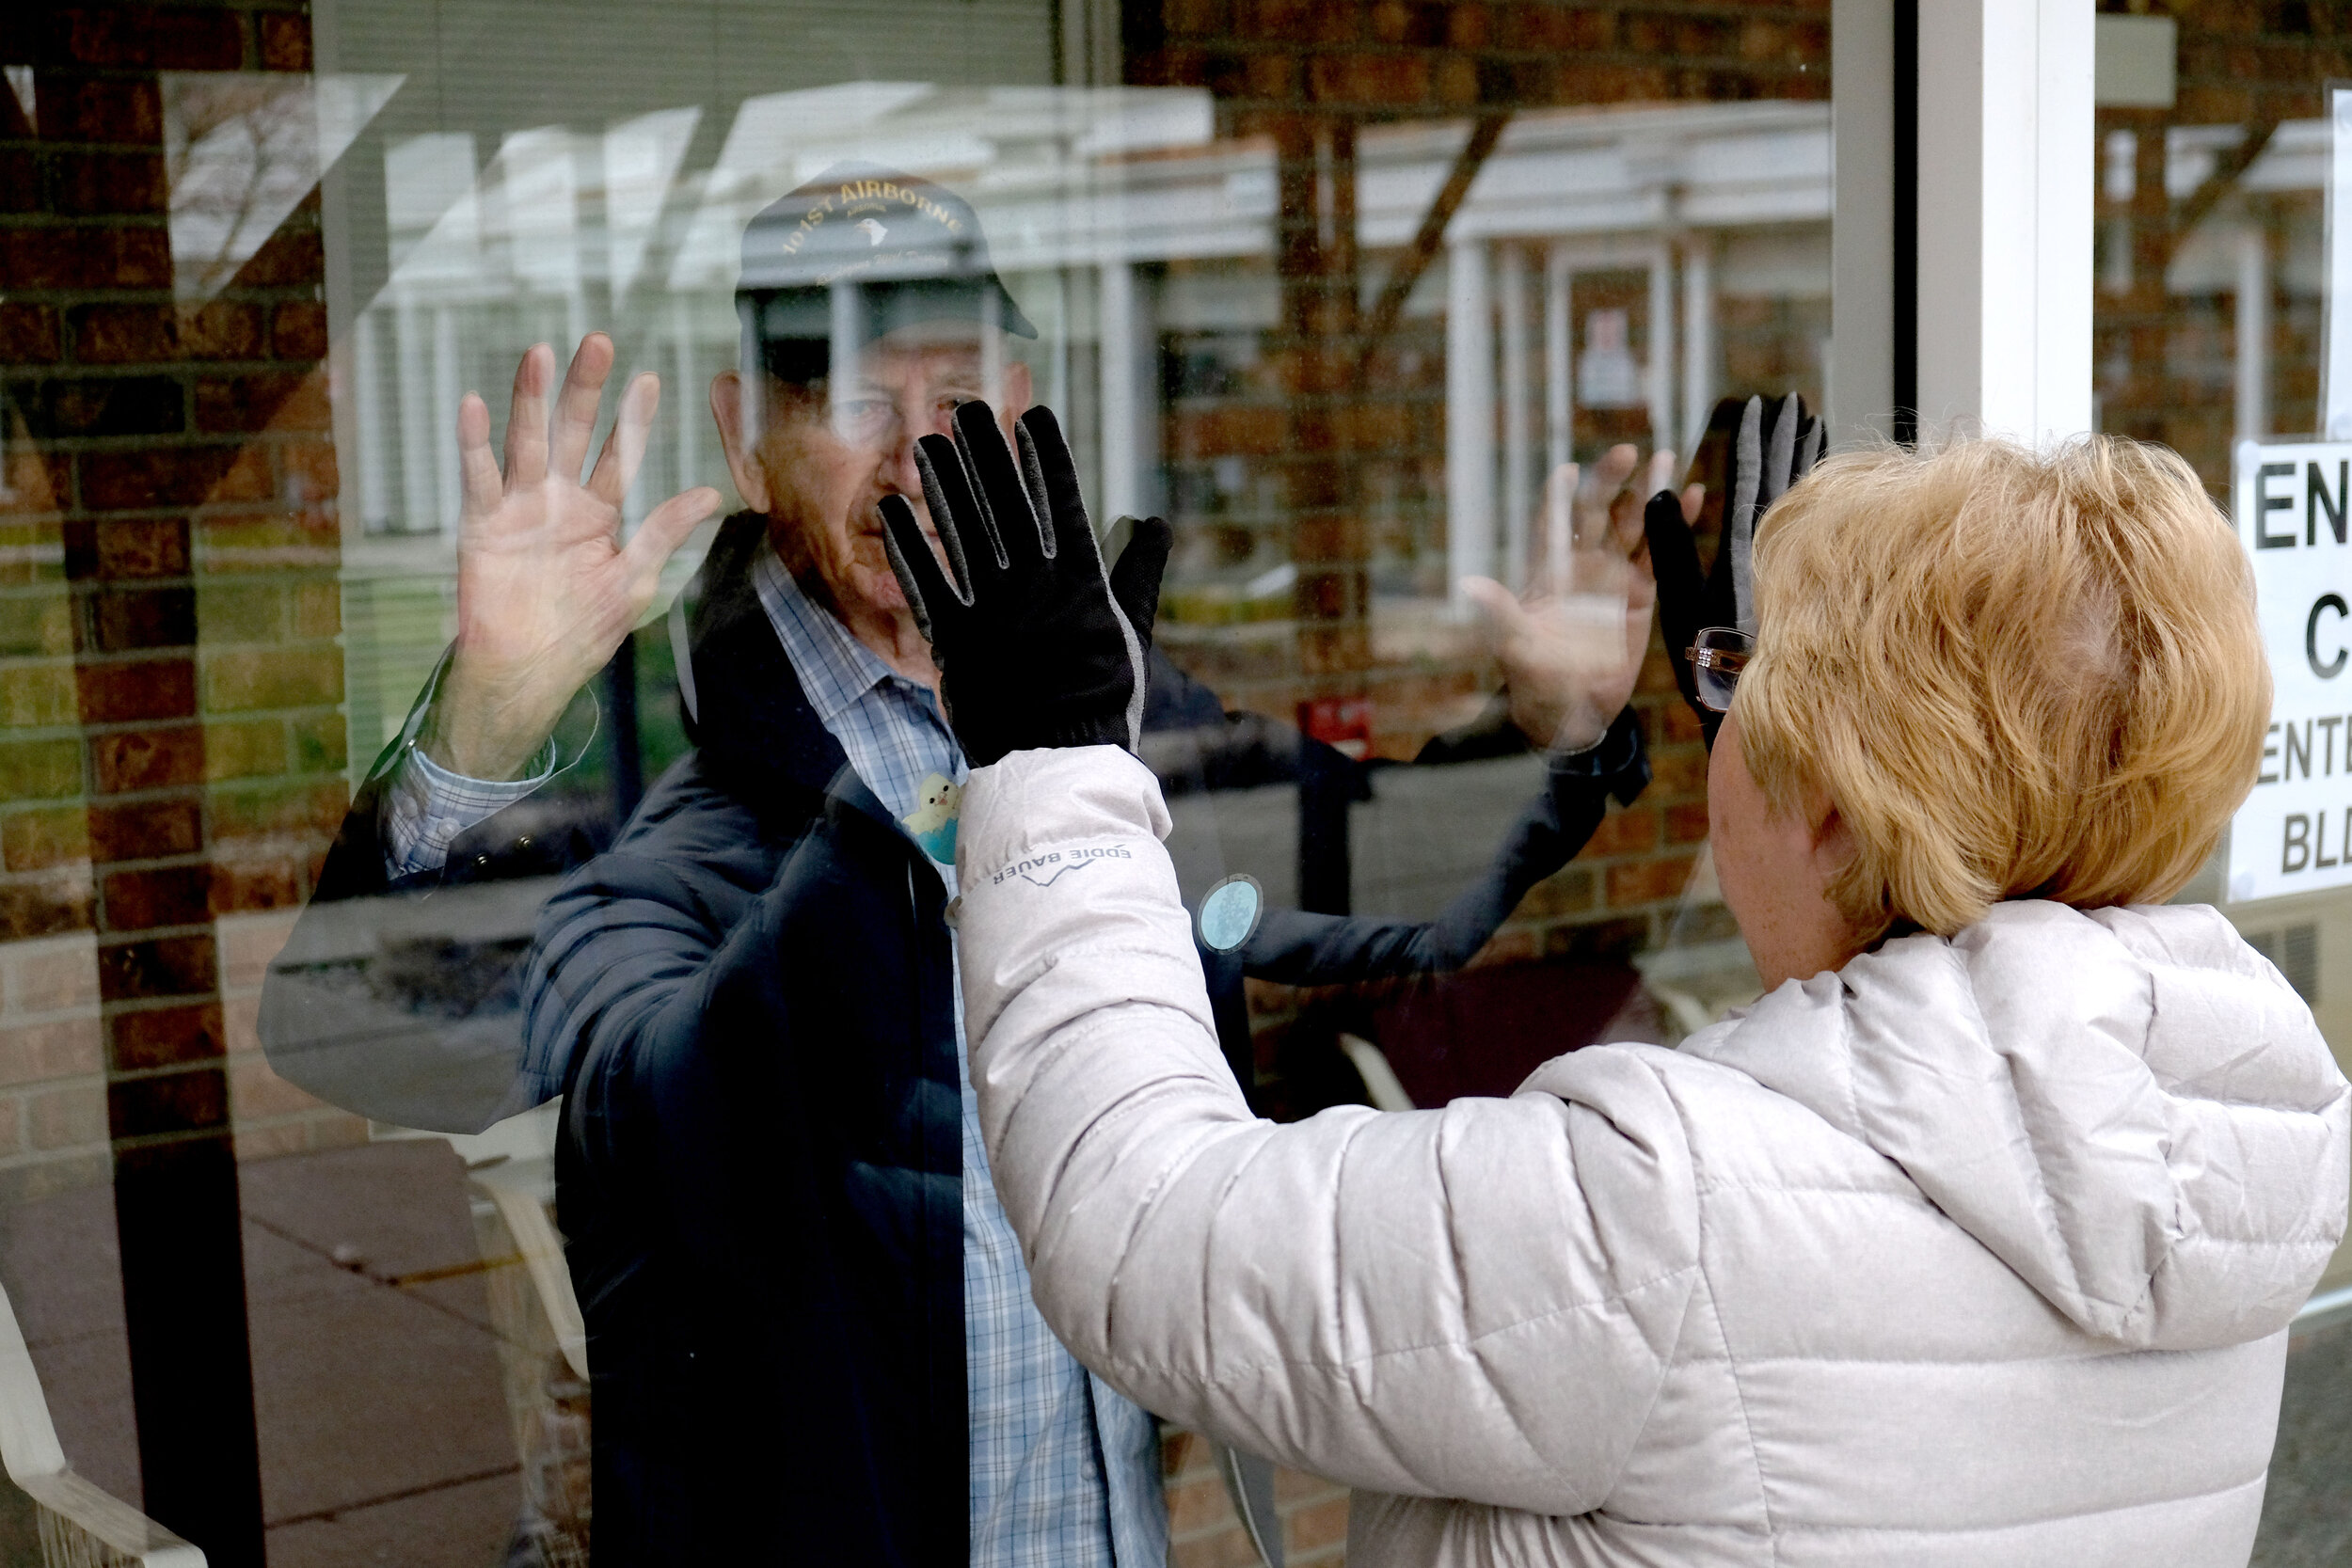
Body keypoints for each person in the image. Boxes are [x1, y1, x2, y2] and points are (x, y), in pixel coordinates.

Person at [259, 163, 1681, 1564]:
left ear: (1023, 410)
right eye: (864, 400)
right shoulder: (654, 750)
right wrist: (488, 721)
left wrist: (1542, 735)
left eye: (960, 393)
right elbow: (372, 1042)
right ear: (747, 436)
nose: (918, 449)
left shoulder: (1111, 700)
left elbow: (1336, 893)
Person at [889, 407, 2352, 1566]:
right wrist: (1770, 707)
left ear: (1836, 806)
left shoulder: (1669, 1212)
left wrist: (1054, 763)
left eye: (1763, 694)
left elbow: (1148, 1231)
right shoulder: (2215, 1156)